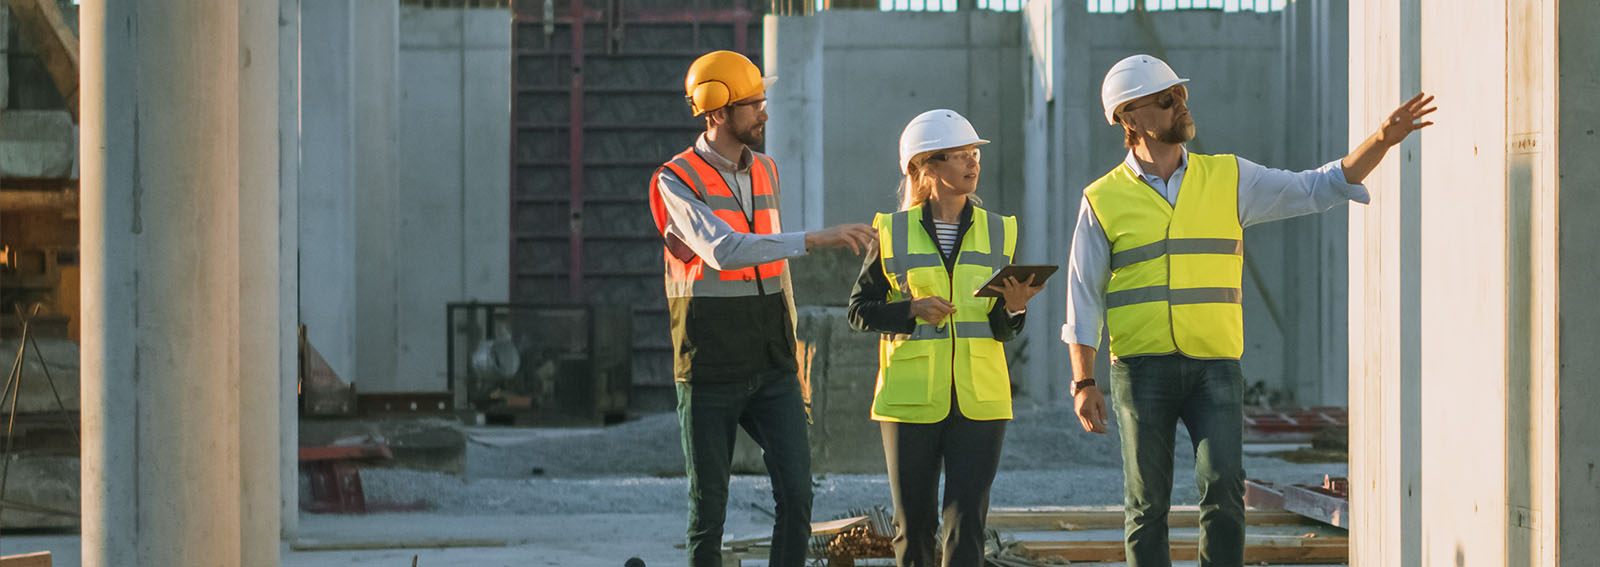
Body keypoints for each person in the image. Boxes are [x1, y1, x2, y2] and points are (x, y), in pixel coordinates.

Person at [1063, 54, 1436, 566]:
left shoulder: (1229, 177)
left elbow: (1317, 185)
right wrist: (1083, 382)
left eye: (1182, 95)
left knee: (1223, 494)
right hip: (1139, 370)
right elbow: (1083, 296)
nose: (1182, 106)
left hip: (1215, 368)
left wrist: (1381, 140)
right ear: (1130, 118)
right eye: (1167, 99)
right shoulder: (1102, 200)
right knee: (1146, 505)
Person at [647, 50, 877, 567]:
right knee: (709, 511)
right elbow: (724, 250)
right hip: (709, 367)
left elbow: (777, 273)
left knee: (797, 496)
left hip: (771, 364)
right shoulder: (675, 180)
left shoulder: (766, 170)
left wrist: (791, 348)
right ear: (717, 112)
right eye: (753, 104)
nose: (765, 112)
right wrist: (817, 237)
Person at [847, 109, 1044, 567]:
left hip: (981, 399)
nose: (972, 164)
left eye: (974, 154)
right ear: (925, 168)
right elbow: (859, 312)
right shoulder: (890, 232)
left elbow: (1001, 328)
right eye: (958, 156)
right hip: (909, 400)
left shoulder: (1001, 230)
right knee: (913, 527)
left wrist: (1015, 306)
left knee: (967, 526)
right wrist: (912, 310)